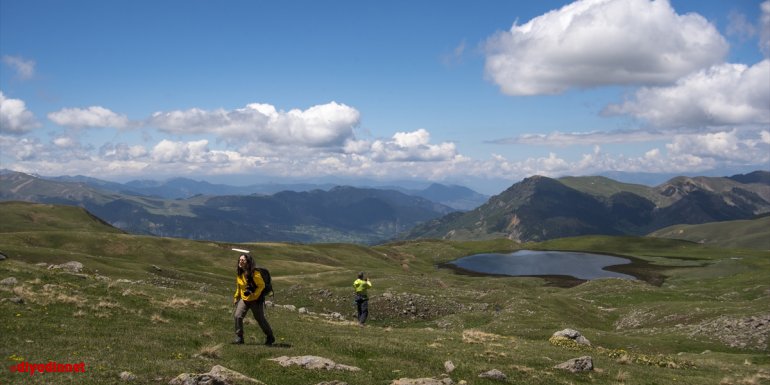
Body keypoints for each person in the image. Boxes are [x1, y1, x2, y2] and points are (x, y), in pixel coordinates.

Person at [233, 253, 275, 345]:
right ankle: (239, 337)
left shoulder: (255, 273)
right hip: (244, 299)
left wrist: (255, 295)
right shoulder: (240, 273)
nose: (240, 261)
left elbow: (261, 285)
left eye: (243, 260)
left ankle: (270, 337)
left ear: (248, 262)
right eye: (239, 260)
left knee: (260, 319)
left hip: (255, 300)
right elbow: (239, 287)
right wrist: (236, 297)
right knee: (237, 316)